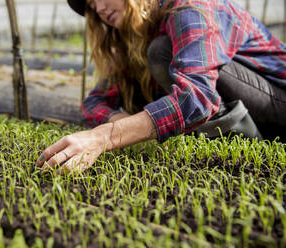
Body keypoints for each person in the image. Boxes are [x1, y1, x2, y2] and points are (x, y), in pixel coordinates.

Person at [36, 0, 286, 173]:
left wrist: (103, 137)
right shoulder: (130, 35)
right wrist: (121, 120)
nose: (99, 8)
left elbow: (196, 99)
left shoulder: (187, 7)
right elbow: (93, 102)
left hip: (278, 96)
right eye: (91, 5)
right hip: (244, 98)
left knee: (160, 52)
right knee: (150, 60)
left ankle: (243, 140)